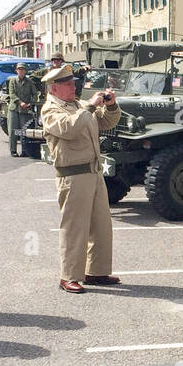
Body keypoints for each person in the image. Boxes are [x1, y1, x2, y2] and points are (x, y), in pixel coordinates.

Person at [39, 63, 123, 293]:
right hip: (73, 175)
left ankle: (96, 271)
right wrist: (89, 106)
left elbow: (105, 123)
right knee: (75, 228)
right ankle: (69, 275)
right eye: (67, 84)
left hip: (93, 172)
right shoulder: (50, 110)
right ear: (53, 88)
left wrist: (111, 105)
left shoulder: (75, 105)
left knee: (100, 225)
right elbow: (69, 128)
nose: (72, 87)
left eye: (73, 83)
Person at [4, 62, 43, 157]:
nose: (21, 71)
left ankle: (24, 150)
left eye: (23, 70)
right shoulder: (13, 81)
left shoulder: (29, 82)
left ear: (25, 71)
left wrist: (31, 102)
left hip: (25, 110)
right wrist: (20, 102)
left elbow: (35, 93)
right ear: (16, 71)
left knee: (23, 131)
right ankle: (13, 150)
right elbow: (12, 94)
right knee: (13, 130)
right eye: (19, 69)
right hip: (14, 108)